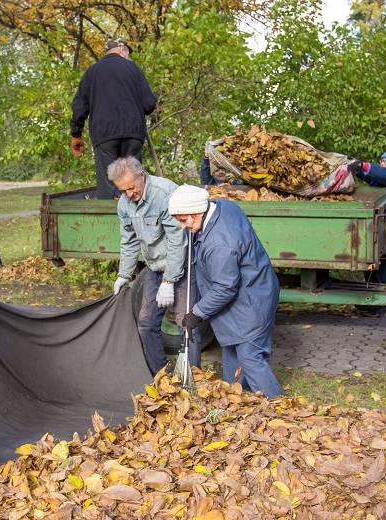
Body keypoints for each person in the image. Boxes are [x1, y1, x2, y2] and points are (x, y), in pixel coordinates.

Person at [168, 185, 284, 397]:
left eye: (183, 220)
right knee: (231, 363)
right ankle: (240, 402)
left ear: (196, 213)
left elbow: (224, 288)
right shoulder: (222, 206)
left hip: (251, 301)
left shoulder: (219, 243)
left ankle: (280, 408)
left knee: (250, 359)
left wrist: (196, 312)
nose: (182, 226)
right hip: (253, 289)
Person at [109, 157, 201, 374]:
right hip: (154, 267)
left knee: (187, 324)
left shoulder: (165, 193)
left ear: (142, 176)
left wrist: (169, 281)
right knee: (146, 324)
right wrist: (124, 274)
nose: (129, 194)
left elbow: (178, 241)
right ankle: (161, 377)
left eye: (131, 188)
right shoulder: (124, 204)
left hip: (183, 265)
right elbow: (129, 241)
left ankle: (196, 379)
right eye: (123, 191)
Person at [69, 37, 158, 199]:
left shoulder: (92, 72)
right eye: (128, 53)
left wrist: (76, 134)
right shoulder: (133, 69)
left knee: (109, 183)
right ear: (123, 49)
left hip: (105, 136)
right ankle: (135, 218)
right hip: (133, 135)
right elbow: (148, 105)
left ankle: (109, 216)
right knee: (133, 181)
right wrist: (155, 97)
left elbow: (79, 107)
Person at [347, 149, 386, 316]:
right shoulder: (380, 178)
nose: (383, 164)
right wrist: (356, 169)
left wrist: (366, 166)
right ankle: (370, 306)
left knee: (384, 276)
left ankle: (379, 310)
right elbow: (371, 176)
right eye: (381, 161)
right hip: (376, 235)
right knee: (370, 274)